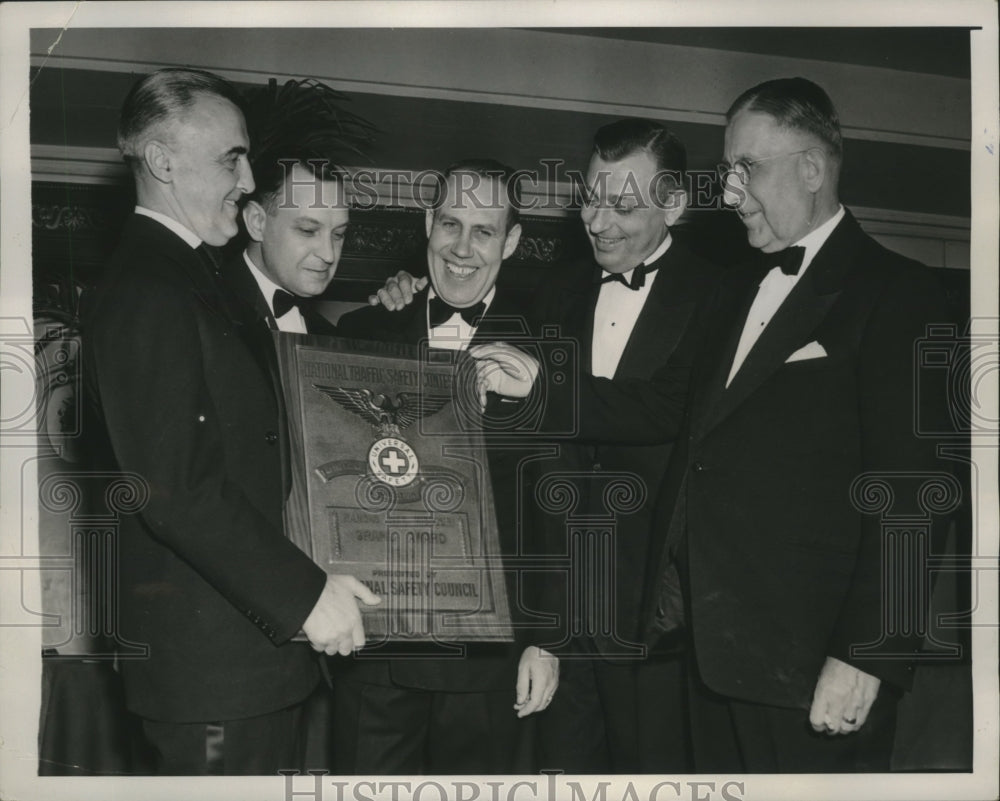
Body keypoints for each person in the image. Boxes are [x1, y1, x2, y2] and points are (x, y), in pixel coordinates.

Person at [474, 77, 952, 772]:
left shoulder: (899, 293)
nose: (728, 192)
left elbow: (915, 491)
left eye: (746, 169)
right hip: (705, 658)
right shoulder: (734, 291)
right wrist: (539, 386)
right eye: (728, 171)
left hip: (810, 667)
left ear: (812, 168)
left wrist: (867, 653)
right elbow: (660, 406)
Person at [369, 122, 717, 773]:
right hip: (556, 616)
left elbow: (670, 408)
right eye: (589, 197)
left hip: (652, 616)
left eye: (623, 205)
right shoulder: (556, 294)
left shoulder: (719, 296)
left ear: (673, 206)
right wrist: (401, 291)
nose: (597, 221)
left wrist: (546, 387)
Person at [81, 67, 378, 776]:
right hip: (213, 674)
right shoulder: (148, 287)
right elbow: (176, 486)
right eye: (230, 159)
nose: (248, 180)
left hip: (239, 665)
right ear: (161, 162)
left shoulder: (191, 277)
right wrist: (306, 596)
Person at [333, 159, 559, 774]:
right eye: (450, 223)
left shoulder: (549, 345)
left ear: (511, 241)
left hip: (493, 657)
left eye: (484, 231)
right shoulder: (362, 329)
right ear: (427, 222)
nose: (462, 247)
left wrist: (546, 638)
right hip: (376, 651)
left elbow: (555, 502)